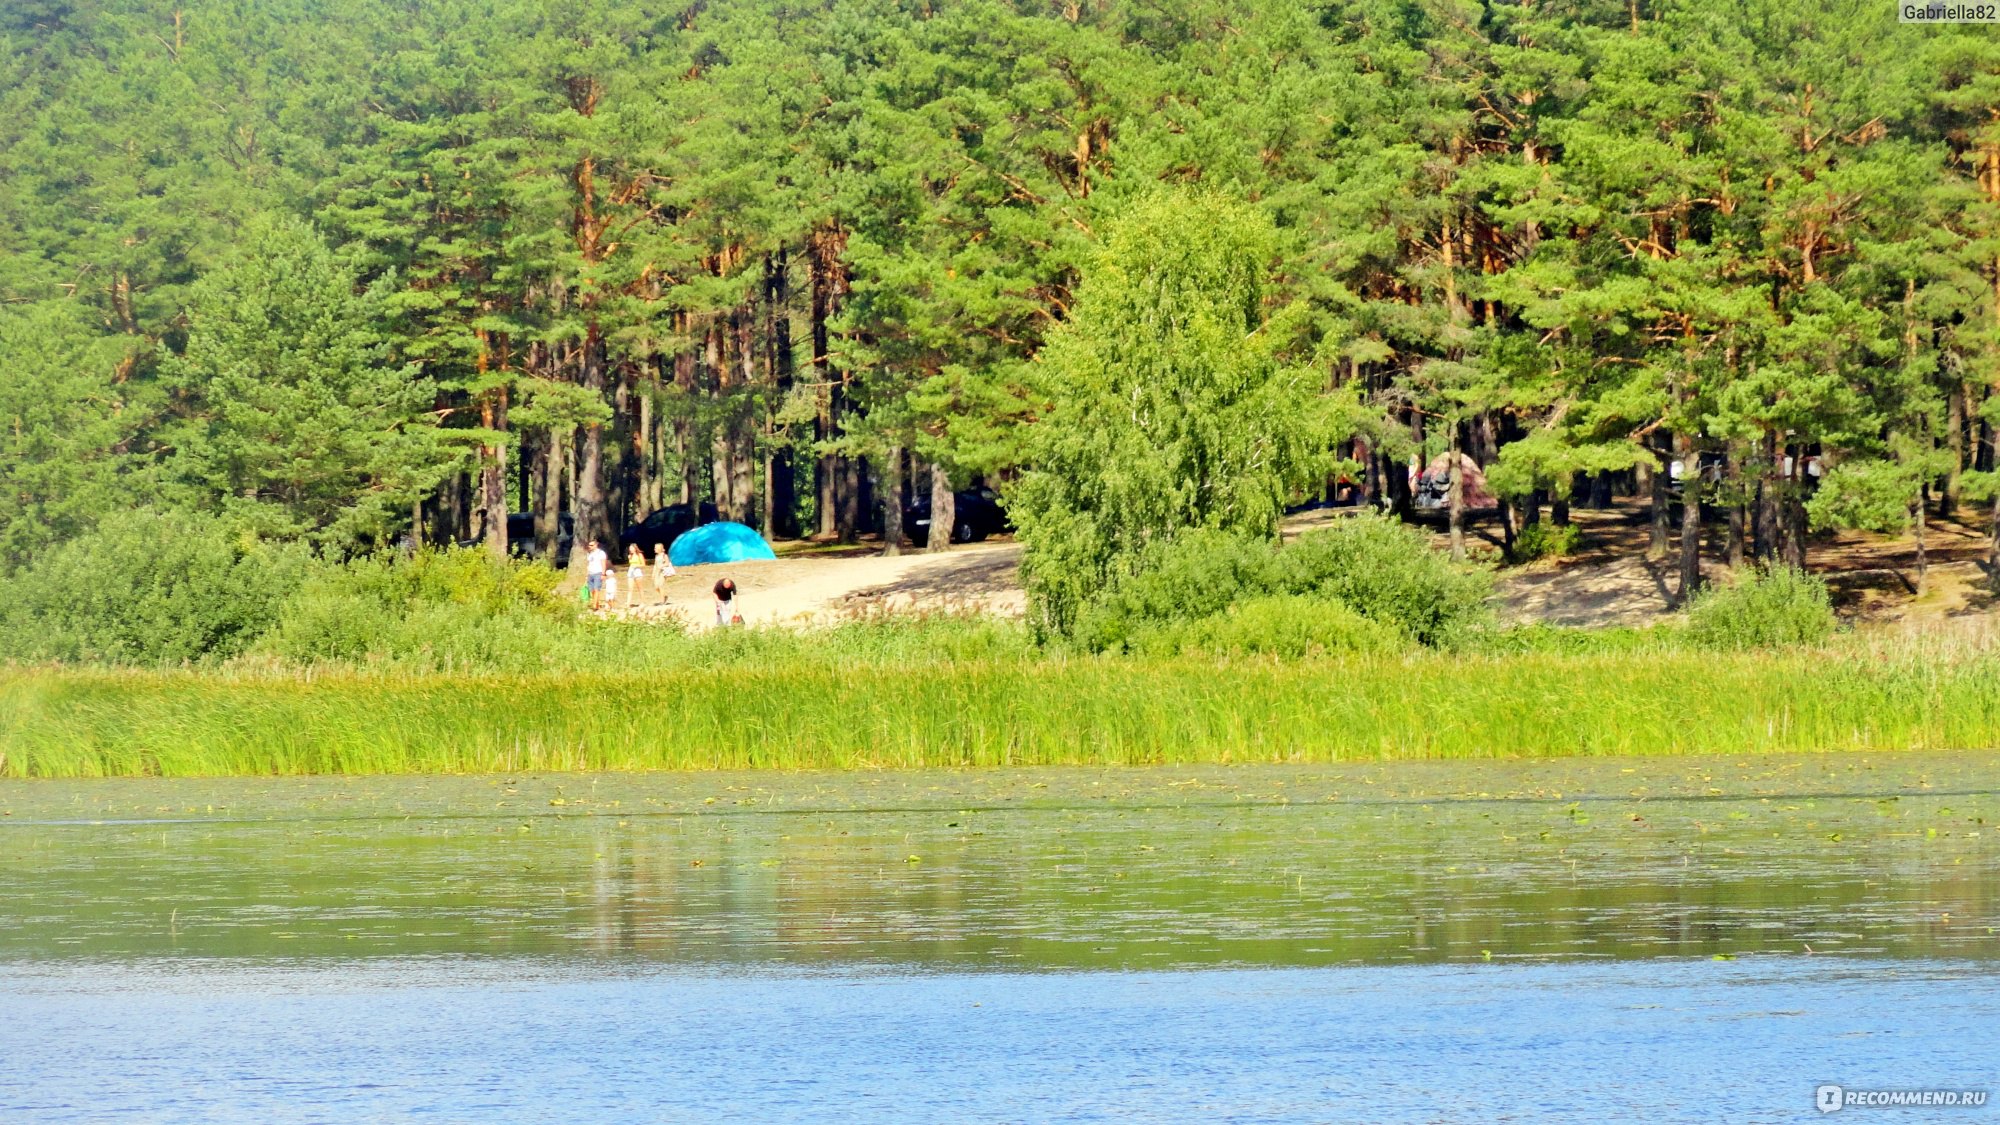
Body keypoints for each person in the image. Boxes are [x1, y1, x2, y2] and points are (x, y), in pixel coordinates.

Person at [584, 539, 609, 611]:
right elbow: (588, 564)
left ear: (596, 545)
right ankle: (597, 603)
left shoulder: (601, 553)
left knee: (596, 588)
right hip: (590, 573)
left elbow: (603, 563)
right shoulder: (590, 554)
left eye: (591, 545)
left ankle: (594, 605)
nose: (590, 547)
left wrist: (603, 574)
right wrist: (587, 574)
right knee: (592, 590)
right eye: (589, 545)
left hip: (598, 573)